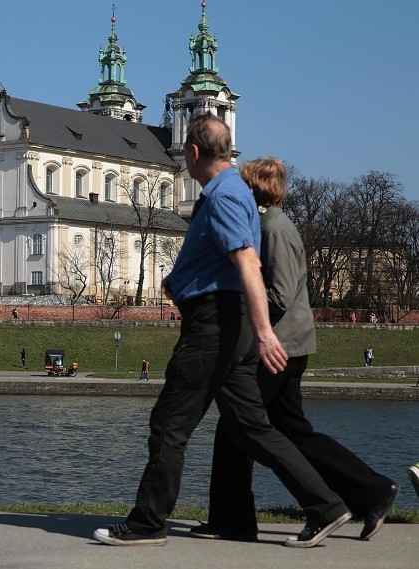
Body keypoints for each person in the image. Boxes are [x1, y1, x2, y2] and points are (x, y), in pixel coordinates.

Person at [93, 114, 349, 549]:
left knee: (169, 425)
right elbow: (221, 260)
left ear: (193, 153)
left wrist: (266, 332)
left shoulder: (225, 194)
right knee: (253, 428)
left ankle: (148, 523)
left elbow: (248, 263)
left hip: (214, 327)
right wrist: (182, 279)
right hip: (224, 322)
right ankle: (325, 505)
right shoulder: (232, 192)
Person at [194, 157, 398, 544]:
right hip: (286, 343)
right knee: (290, 430)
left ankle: (241, 517)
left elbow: (280, 294)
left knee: (237, 427)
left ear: (251, 188)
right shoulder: (270, 224)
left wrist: (239, 315)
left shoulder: (273, 229)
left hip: (278, 347)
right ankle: (371, 491)